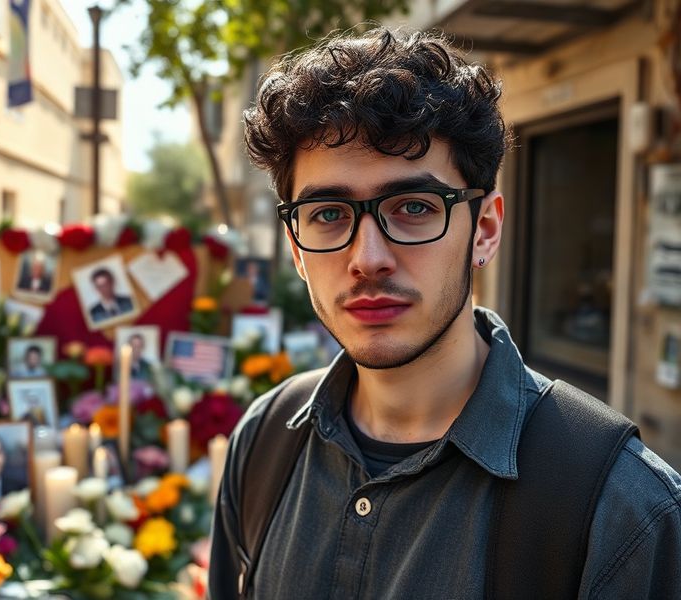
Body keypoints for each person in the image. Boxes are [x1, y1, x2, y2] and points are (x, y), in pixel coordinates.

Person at [208, 28, 681, 598]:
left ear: (484, 228)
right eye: (328, 214)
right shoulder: (264, 445)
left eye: (412, 207)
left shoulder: (620, 509)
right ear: (296, 249)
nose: (369, 259)